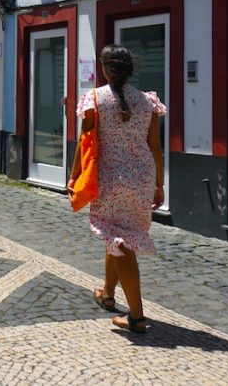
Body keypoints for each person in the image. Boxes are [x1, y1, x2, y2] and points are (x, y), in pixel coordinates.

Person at [68, 43, 165, 333]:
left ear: (104, 68)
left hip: (110, 179)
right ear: (129, 69)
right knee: (118, 237)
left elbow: (85, 143)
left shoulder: (95, 99)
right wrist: (159, 184)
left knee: (119, 240)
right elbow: (155, 148)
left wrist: (74, 177)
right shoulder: (147, 101)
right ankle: (108, 295)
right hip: (141, 178)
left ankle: (136, 316)